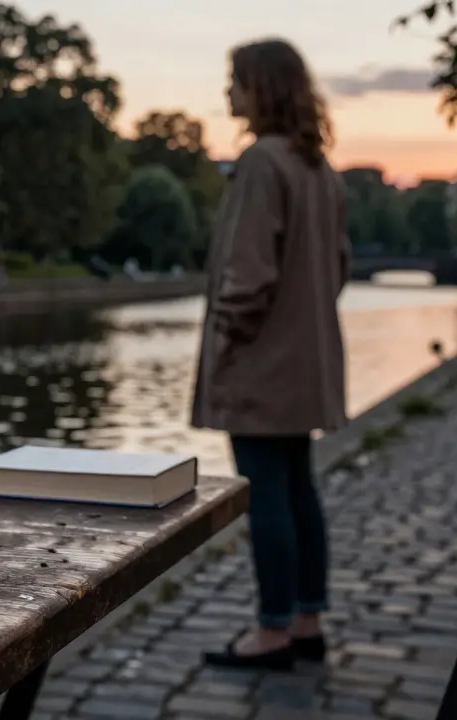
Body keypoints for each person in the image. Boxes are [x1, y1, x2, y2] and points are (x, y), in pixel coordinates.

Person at [191, 38, 351, 670]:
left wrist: (227, 339)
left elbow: (248, 274)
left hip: (260, 365)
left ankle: (273, 632)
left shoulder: (261, 163)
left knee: (267, 496)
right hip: (306, 364)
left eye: (235, 81)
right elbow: (337, 269)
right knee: (300, 489)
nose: (228, 92)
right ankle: (308, 621)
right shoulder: (320, 168)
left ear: (263, 87)